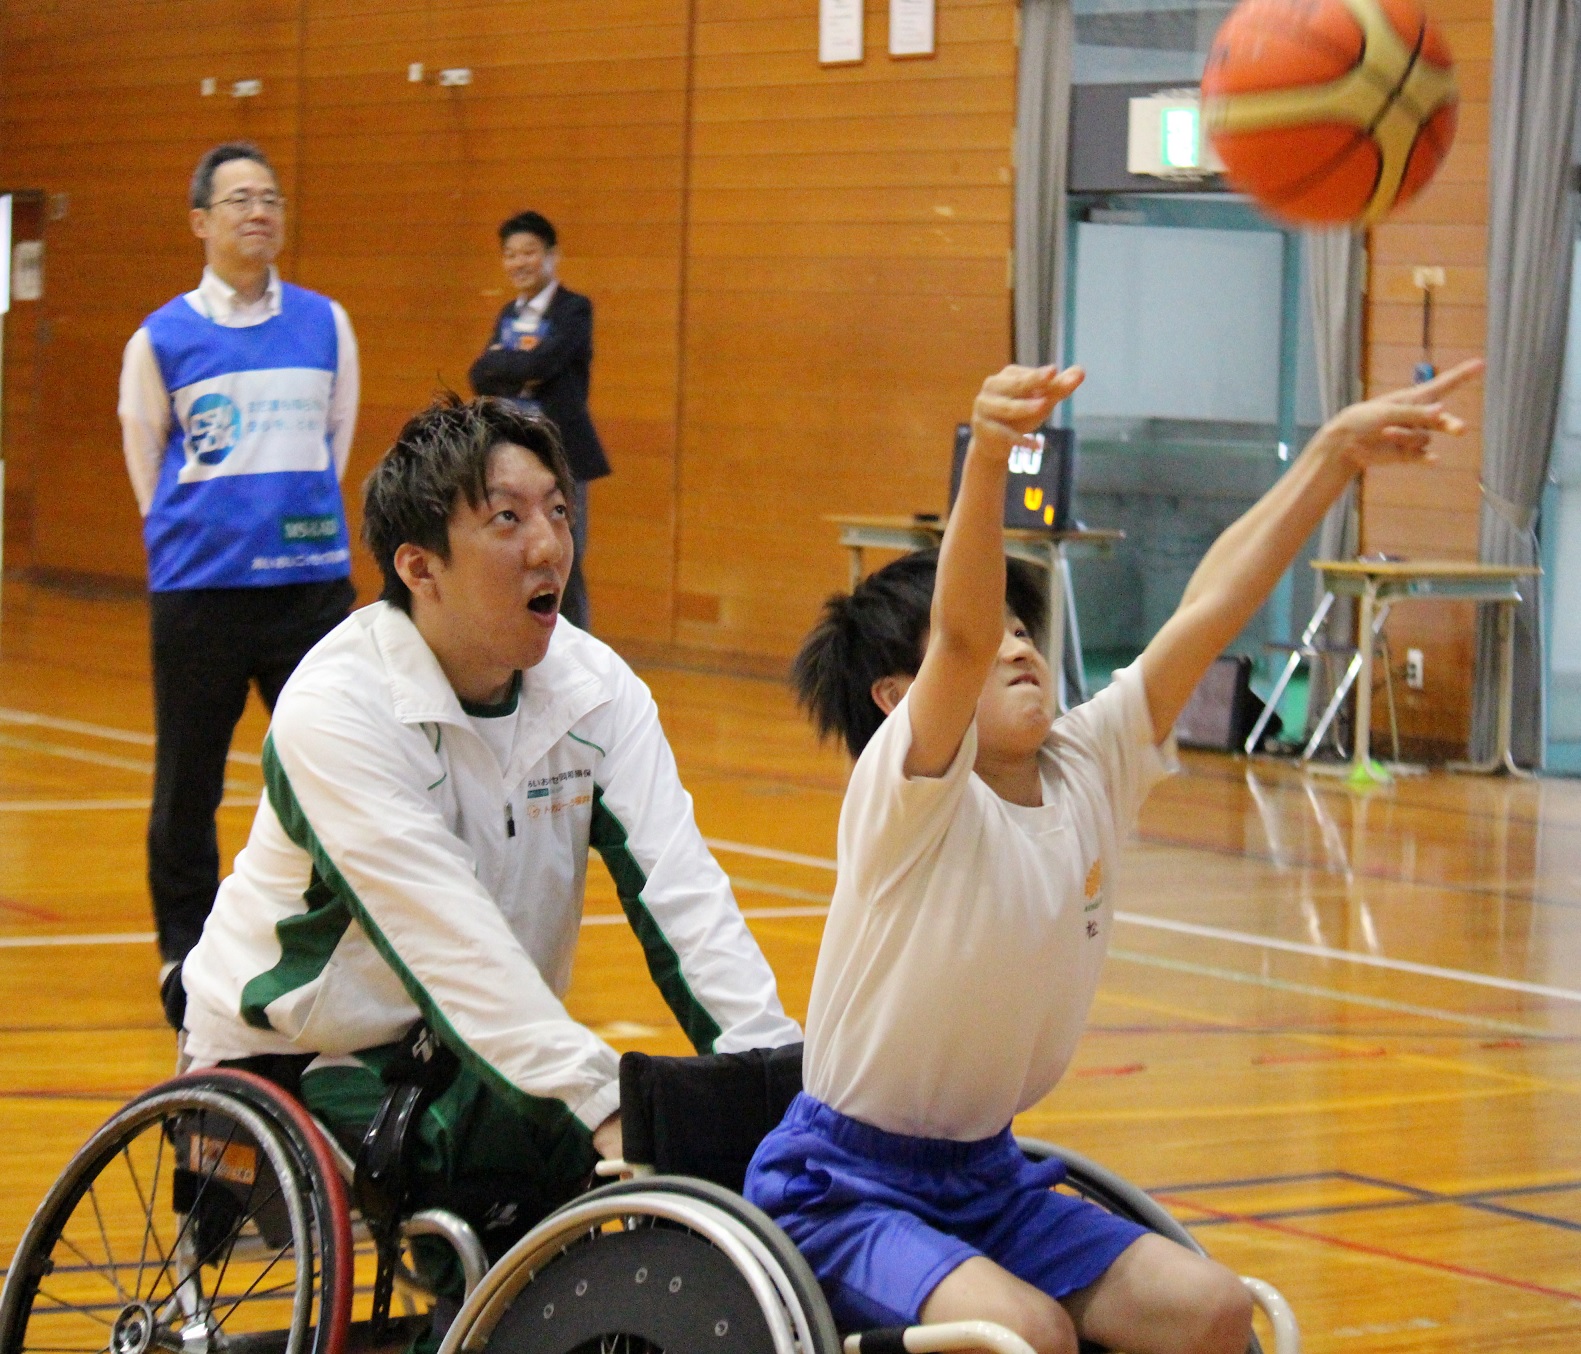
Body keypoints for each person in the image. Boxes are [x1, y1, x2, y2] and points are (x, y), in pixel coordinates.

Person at [746, 358, 1482, 1354]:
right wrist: (991, 457)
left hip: (988, 1176)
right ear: (895, 698)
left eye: (1024, 629)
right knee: (1025, 1334)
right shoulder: (908, 793)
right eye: (987, 637)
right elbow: (957, 640)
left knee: (1217, 1308)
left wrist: (1330, 453)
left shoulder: (1089, 759)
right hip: (841, 1185)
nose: (1015, 647)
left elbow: (1210, 603)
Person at [180, 393, 800, 1285]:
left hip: (481, 1052)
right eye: (506, 519)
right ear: (420, 567)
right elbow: (452, 947)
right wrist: (596, 1104)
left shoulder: (595, 690)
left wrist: (776, 1078)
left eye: (557, 510)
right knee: (544, 1146)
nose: (548, 544)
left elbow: (684, 898)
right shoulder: (337, 710)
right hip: (301, 1051)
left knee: (690, 1123)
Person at [118, 141, 360, 1021]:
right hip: (200, 597)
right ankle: (182, 952)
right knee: (188, 782)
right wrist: (211, 536)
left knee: (333, 768)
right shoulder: (161, 338)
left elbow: (334, 442)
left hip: (308, 591)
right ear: (201, 222)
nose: (259, 211)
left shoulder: (326, 323)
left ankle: (338, 942)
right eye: (239, 199)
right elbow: (149, 461)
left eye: (271, 197)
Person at [469, 211, 609, 631]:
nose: (518, 263)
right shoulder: (507, 313)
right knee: (515, 554)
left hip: (562, 454)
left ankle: (576, 652)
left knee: (565, 557)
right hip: (514, 456)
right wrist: (521, 367)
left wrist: (507, 364)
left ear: (552, 255)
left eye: (528, 252)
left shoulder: (574, 309)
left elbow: (547, 362)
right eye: (510, 255)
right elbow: (479, 375)